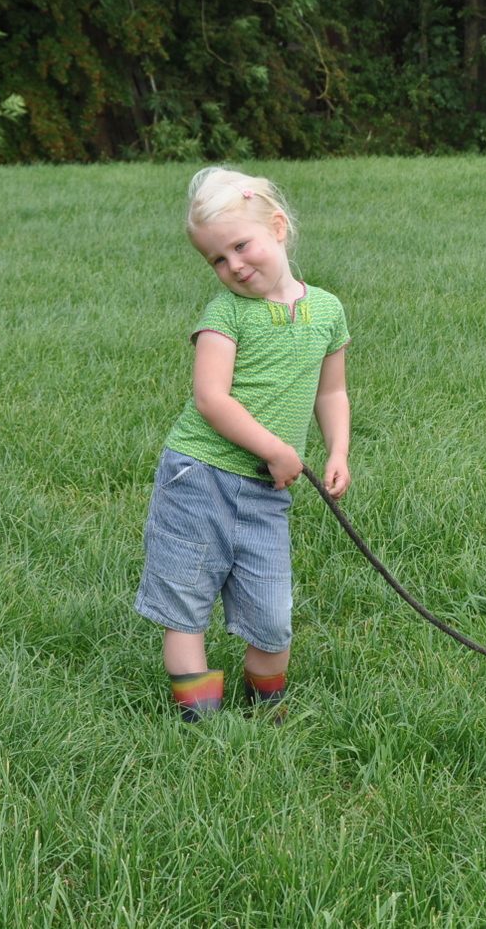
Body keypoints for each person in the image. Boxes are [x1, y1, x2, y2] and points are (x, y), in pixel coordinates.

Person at [134, 166, 351, 722]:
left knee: (272, 613)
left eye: (240, 245)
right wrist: (278, 449)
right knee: (186, 605)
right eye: (217, 259)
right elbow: (211, 399)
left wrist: (337, 451)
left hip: (264, 492)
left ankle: (266, 716)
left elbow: (332, 391)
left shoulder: (326, 311)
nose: (233, 266)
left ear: (278, 227)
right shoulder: (225, 314)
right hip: (198, 477)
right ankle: (200, 724)